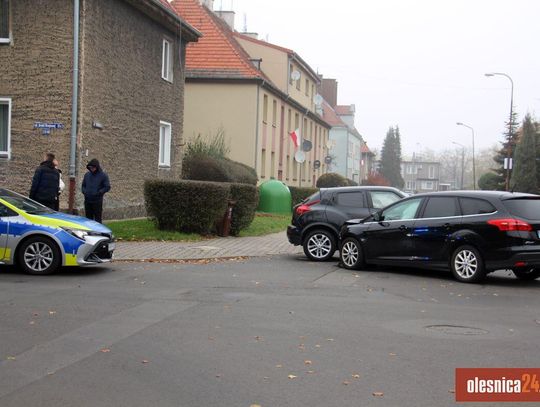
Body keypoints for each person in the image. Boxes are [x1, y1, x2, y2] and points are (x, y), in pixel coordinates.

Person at [82, 159, 110, 223]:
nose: (92, 169)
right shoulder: (87, 175)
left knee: (97, 219)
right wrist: (84, 192)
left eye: (93, 167)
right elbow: (83, 185)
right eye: (90, 168)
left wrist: (99, 192)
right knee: (88, 219)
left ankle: (99, 232)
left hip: (97, 201)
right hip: (87, 200)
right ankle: (89, 232)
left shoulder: (103, 175)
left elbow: (107, 187)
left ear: (97, 167)